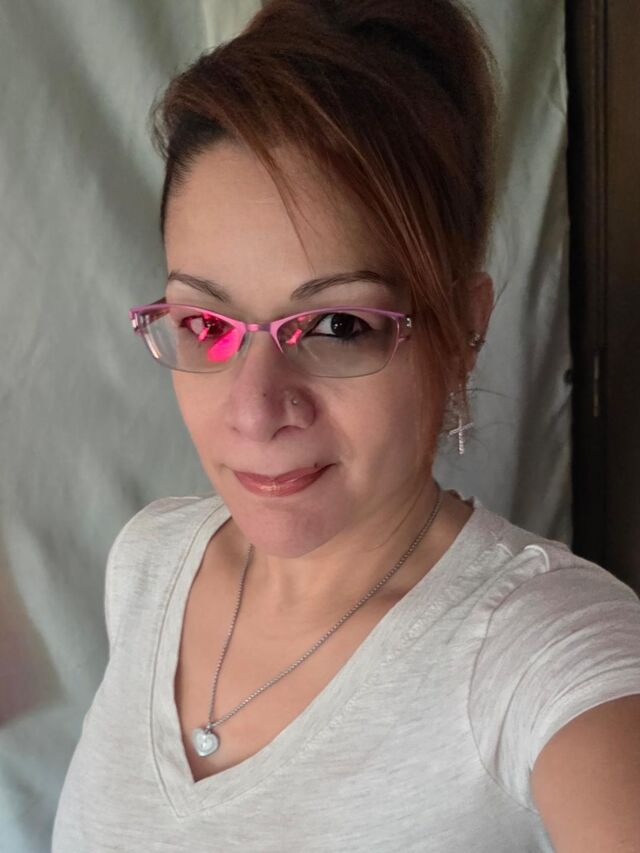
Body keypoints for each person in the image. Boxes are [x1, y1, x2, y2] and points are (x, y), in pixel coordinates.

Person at [52, 1, 640, 850]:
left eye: (336, 325)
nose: (255, 410)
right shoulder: (149, 562)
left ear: (463, 328)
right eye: (207, 323)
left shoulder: (534, 646)